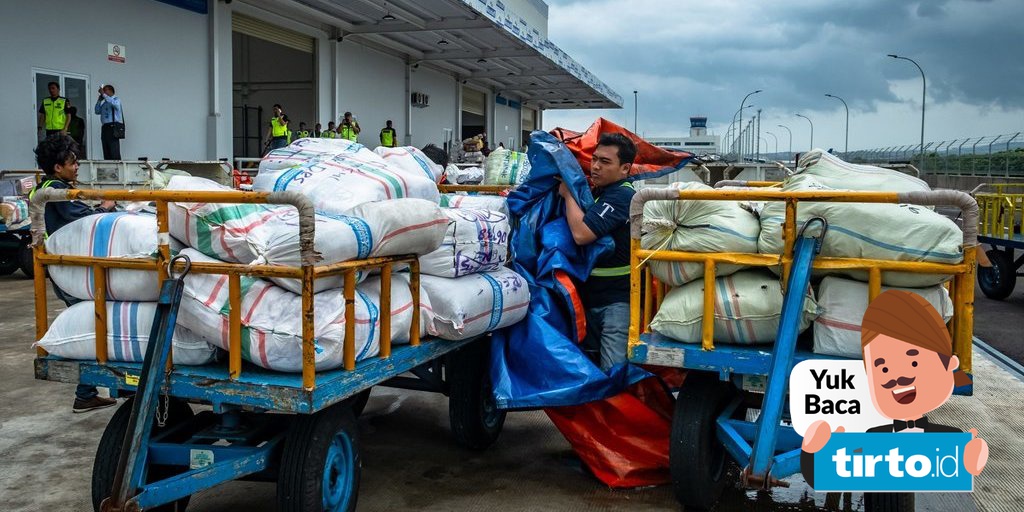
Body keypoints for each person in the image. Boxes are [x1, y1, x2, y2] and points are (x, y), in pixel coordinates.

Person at [801, 290, 989, 486]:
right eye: (883, 368)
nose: (898, 378)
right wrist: (816, 452)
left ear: (949, 365)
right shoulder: (874, 436)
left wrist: (971, 459)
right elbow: (827, 469)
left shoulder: (950, 440)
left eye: (914, 363)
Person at [31, 135, 118, 413]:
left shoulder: (51, 187)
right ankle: (84, 394)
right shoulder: (56, 191)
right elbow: (83, 218)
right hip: (69, 272)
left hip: (68, 269)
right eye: (73, 162)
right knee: (93, 325)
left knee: (94, 323)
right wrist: (104, 208)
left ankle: (87, 393)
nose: (77, 166)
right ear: (58, 167)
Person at [557, 133, 637, 371]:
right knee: (592, 369)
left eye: (605, 162)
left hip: (615, 305)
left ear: (625, 169)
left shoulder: (623, 196)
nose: (596, 166)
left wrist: (568, 194)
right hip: (591, 300)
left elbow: (582, 234)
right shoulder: (599, 193)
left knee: (613, 373)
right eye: (594, 159)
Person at [94, 84, 123, 160]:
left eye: (105, 90)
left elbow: (116, 105)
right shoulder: (105, 102)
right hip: (105, 127)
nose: (103, 92)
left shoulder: (116, 100)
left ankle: (117, 166)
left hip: (113, 126)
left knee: (114, 149)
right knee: (106, 148)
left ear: (110, 91)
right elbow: (97, 111)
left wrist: (104, 95)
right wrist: (99, 100)